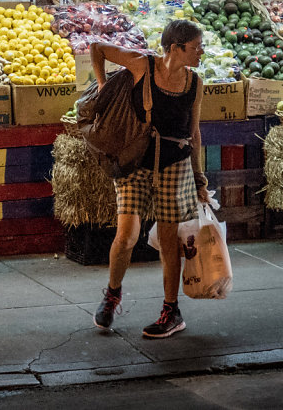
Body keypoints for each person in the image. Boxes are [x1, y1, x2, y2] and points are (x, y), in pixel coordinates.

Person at [90, 19, 211, 339]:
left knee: (169, 242)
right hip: (136, 163)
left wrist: (199, 178)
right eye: (196, 47)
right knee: (126, 235)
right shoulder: (143, 64)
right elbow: (97, 49)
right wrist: (103, 87)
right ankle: (112, 294)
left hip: (175, 165)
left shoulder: (195, 83)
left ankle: (171, 311)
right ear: (175, 47)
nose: (201, 52)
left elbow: (195, 134)